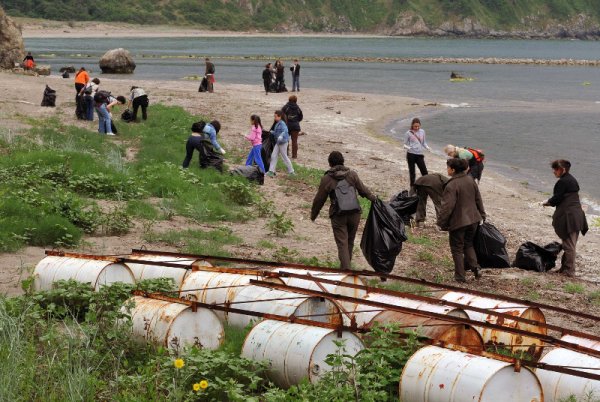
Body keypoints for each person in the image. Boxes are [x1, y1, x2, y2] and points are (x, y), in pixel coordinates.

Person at [311, 151, 377, 269]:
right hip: (354, 213)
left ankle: (346, 271)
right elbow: (364, 191)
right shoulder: (352, 174)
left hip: (338, 215)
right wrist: (376, 200)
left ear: (330, 163)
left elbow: (319, 200)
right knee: (349, 242)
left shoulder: (327, 178)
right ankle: (346, 267)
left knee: (342, 243)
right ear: (343, 161)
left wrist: (313, 215)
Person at [437, 158, 486, 282]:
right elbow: (478, 199)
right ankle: (476, 268)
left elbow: (447, 207)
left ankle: (460, 277)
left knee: (457, 248)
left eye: (448, 167)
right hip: (474, 219)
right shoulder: (470, 180)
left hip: (459, 222)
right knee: (468, 244)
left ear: (453, 170)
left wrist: (441, 223)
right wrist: (482, 215)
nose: (447, 169)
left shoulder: (452, 185)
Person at [542, 160, 588, 277]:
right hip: (577, 216)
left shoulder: (563, 182)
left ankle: (569, 271)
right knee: (569, 243)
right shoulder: (572, 180)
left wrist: (547, 202)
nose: (554, 172)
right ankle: (564, 269)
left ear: (563, 169)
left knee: (569, 246)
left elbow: (557, 198)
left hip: (570, 218)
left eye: (556, 169)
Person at [404, 117, 430, 193]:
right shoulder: (408, 133)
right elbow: (404, 144)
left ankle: (426, 185)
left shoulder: (422, 132)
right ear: (412, 125)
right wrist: (408, 147)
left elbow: (424, 143)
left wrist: (427, 147)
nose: (417, 128)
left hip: (419, 154)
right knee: (412, 172)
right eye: (415, 126)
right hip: (411, 154)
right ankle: (412, 187)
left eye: (418, 126)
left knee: (424, 171)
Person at [266, 110, 294, 177]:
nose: (274, 118)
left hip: (283, 142)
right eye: (274, 116)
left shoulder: (282, 123)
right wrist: (272, 132)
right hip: (278, 142)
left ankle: (291, 172)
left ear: (280, 117)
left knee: (284, 157)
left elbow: (285, 131)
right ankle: (271, 171)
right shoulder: (278, 123)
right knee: (273, 156)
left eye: (276, 117)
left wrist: (281, 136)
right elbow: (277, 132)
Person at [281, 95, 303, 159]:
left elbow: (281, 116)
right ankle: (294, 156)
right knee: (294, 141)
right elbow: (301, 117)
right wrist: (296, 121)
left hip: (287, 126)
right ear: (296, 100)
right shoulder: (298, 108)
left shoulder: (285, 107)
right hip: (296, 126)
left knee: (286, 140)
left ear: (289, 100)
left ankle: (286, 154)